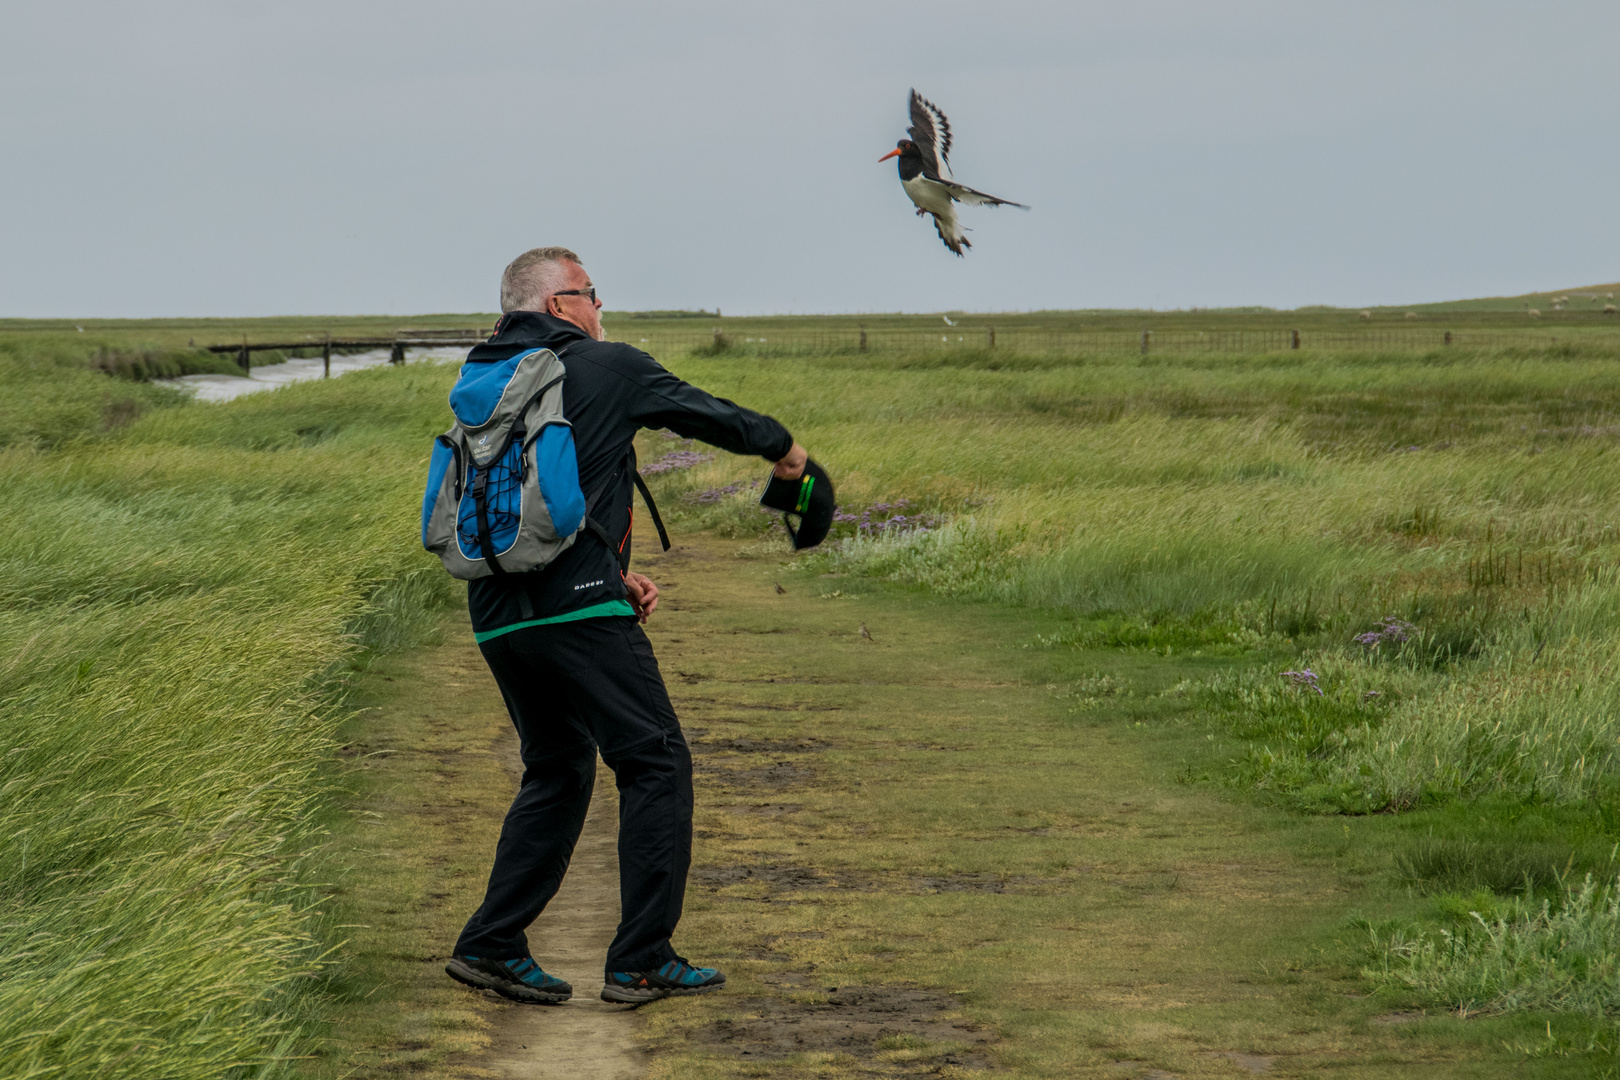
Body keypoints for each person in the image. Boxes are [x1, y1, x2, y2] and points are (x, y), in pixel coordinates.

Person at [443, 247, 808, 1005]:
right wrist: (785, 449)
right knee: (656, 760)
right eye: (591, 293)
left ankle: (491, 946)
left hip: (497, 612)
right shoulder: (609, 365)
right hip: (576, 606)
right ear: (557, 304)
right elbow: (708, 416)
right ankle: (642, 957)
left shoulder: (483, 381)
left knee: (561, 766)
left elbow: (538, 496)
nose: (601, 307)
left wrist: (612, 574)